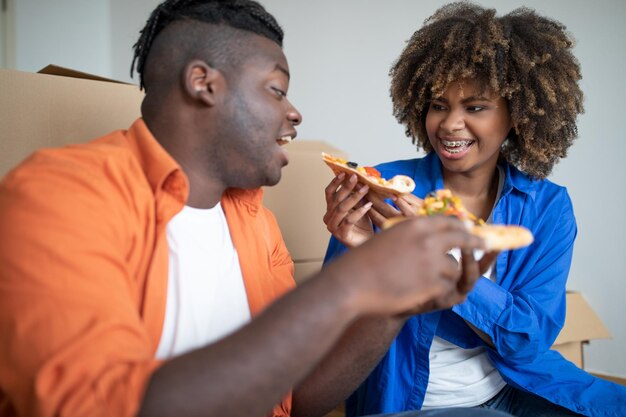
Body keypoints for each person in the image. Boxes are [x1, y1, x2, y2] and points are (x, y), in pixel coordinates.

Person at [0, 1, 517, 417]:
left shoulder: (254, 221)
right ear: (204, 83)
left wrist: (393, 306)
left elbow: (298, 400)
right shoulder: (58, 194)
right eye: (276, 90)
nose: (294, 112)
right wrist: (351, 281)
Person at [323, 3, 626, 417]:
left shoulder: (548, 207)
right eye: (438, 104)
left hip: (518, 389)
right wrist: (361, 259)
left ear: (516, 115)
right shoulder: (382, 192)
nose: (450, 125)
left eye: (476, 107)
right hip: (412, 402)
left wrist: (438, 257)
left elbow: (526, 340)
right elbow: (333, 335)